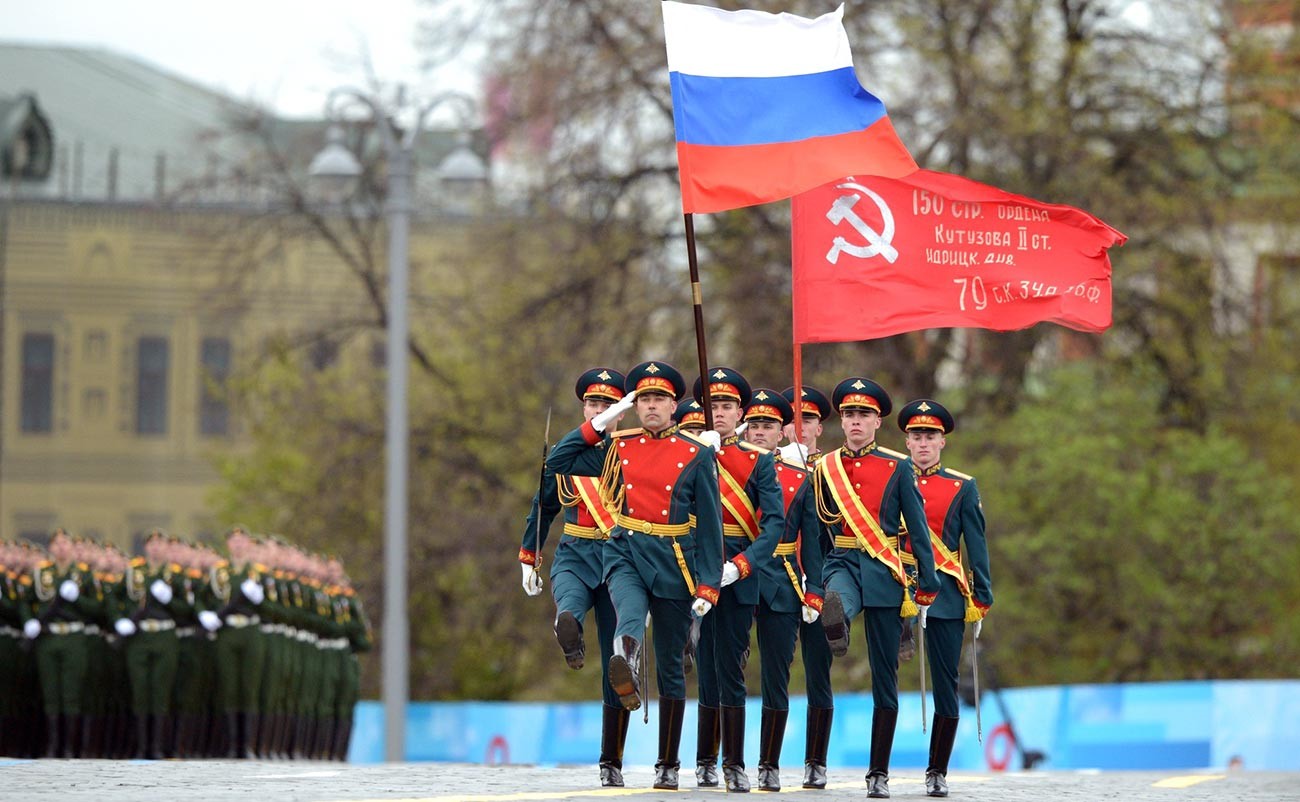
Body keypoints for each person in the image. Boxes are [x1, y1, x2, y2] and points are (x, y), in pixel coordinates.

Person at [546, 359, 723, 791]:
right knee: (626, 610)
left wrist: (709, 583)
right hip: (625, 550)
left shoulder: (696, 453)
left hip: (673, 557)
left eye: (659, 399)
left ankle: (668, 763)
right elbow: (558, 461)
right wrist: (599, 424)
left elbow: (713, 524)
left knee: (671, 667)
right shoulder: (618, 446)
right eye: (643, 399)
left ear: (673, 404)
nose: (651, 407)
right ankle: (625, 656)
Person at [813, 378, 941, 799]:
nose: (855, 422)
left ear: (877, 422)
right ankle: (838, 623)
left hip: (885, 568)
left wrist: (928, 579)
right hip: (842, 560)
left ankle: (878, 773)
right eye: (849, 414)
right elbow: (813, 526)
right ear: (843, 421)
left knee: (884, 679)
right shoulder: (825, 466)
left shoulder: (896, 466)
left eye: (863, 415)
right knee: (838, 600)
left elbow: (918, 528)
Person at [519, 367, 632, 787]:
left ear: (621, 411)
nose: (598, 411)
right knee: (567, 598)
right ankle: (568, 627)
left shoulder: (631, 452)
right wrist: (529, 556)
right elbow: (544, 504)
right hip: (575, 549)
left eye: (606, 405)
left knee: (617, 660)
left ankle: (611, 760)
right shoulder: (568, 452)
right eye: (592, 404)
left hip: (620, 556)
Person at [690, 368, 785, 793]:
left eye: (728, 406)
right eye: (714, 406)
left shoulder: (759, 460)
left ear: (741, 413)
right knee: (700, 663)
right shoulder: (685, 451)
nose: (720, 413)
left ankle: (733, 763)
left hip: (738, 570)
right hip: (692, 565)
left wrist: (743, 565)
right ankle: (702, 760)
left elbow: (774, 525)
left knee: (730, 666)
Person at [896, 399, 992, 798]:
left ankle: (937, 770)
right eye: (916, 436)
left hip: (946, 593)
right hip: (896, 585)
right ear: (906, 440)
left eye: (930, 436)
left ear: (942, 442)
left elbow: (977, 542)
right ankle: (878, 769)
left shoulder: (961, 486)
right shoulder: (890, 478)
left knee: (945, 683)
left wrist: (982, 594)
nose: (923, 443)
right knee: (885, 677)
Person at [743, 388, 825, 791]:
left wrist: (814, 589)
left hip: (780, 579)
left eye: (768, 426)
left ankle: (769, 763)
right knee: (728, 670)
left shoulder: (800, 479)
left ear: (782, 432)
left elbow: (809, 535)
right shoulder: (722, 468)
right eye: (754, 425)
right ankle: (727, 761)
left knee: (775, 675)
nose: (760, 433)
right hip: (733, 577)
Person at [781, 384, 838, 789]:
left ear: (819, 427)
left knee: (818, 671)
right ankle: (762, 759)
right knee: (771, 670)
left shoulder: (833, 471)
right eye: (793, 421)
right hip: (777, 576)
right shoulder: (766, 465)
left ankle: (815, 761)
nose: (800, 428)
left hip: (816, 577)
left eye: (809, 421)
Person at [21, 528, 93, 758]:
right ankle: (53, 745)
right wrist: (28, 621)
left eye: (66, 542)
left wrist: (78, 598)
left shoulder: (82, 574)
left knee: (71, 693)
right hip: (48, 637)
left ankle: (70, 746)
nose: (61, 547)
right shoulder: (42, 573)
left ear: (72, 547)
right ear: (51, 548)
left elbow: (97, 609)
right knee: (51, 692)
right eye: (57, 543)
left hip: (73, 637)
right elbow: (26, 601)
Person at [213, 526, 268, 758]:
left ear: (249, 544)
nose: (237, 544)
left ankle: (246, 745)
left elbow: (270, 606)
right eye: (233, 540)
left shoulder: (257, 572)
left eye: (242, 540)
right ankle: (231, 744)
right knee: (229, 686)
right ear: (228, 545)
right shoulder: (219, 571)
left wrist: (260, 598)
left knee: (249, 686)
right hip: (228, 630)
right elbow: (208, 598)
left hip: (250, 630)